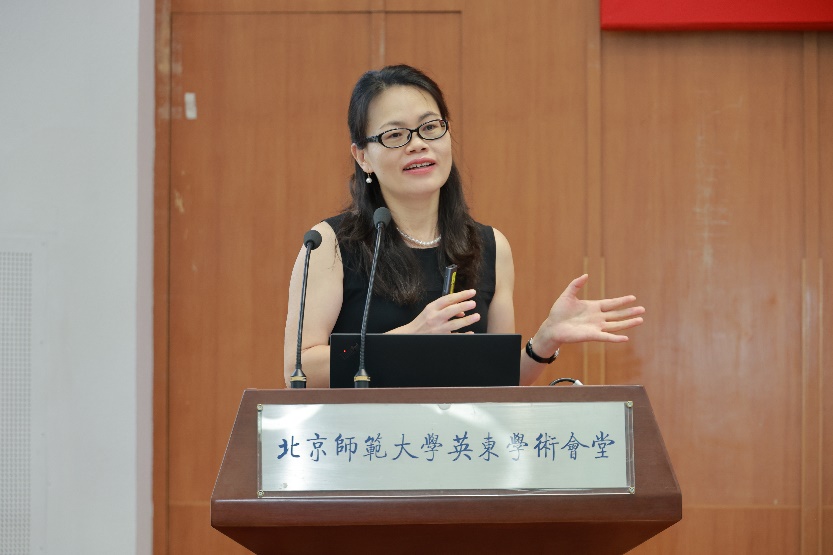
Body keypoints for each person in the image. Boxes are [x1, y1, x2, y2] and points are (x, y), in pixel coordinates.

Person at [283, 65, 644, 388]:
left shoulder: (488, 245)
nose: (418, 144)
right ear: (363, 156)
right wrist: (409, 339)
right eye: (395, 135)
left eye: (430, 128)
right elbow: (299, 371)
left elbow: (498, 381)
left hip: (459, 442)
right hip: (365, 440)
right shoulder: (329, 244)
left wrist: (544, 341)